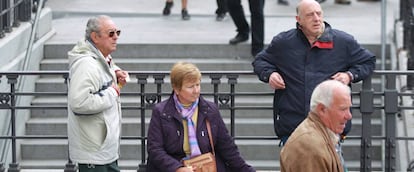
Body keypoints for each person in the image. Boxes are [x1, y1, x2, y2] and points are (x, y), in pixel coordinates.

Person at [252, 0, 376, 146]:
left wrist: (350, 75)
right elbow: (260, 61)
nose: (316, 19)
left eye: (319, 13)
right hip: (293, 128)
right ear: (299, 20)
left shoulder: (343, 42)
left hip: (330, 128)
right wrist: (270, 74)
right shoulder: (283, 42)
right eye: (310, 15)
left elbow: (368, 61)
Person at [147, 62, 255, 172]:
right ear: (177, 89)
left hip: (205, 167)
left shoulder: (210, 110)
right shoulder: (161, 112)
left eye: (198, 85)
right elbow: (155, 149)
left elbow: (227, 147)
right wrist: (177, 168)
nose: (196, 90)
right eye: (190, 87)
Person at [67, 15, 129, 172]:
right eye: (111, 33)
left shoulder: (101, 57)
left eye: (117, 32)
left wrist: (116, 72)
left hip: (104, 150)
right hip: (94, 153)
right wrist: (113, 92)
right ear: (95, 37)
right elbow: (79, 103)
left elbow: (104, 67)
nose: (116, 37)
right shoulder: (86, 64)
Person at [280, 80, 352, 172]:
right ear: (322, 109)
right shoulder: (310, 147)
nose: (349, 116)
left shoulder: (323, 135)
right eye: (343, 109)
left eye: (349, 108)